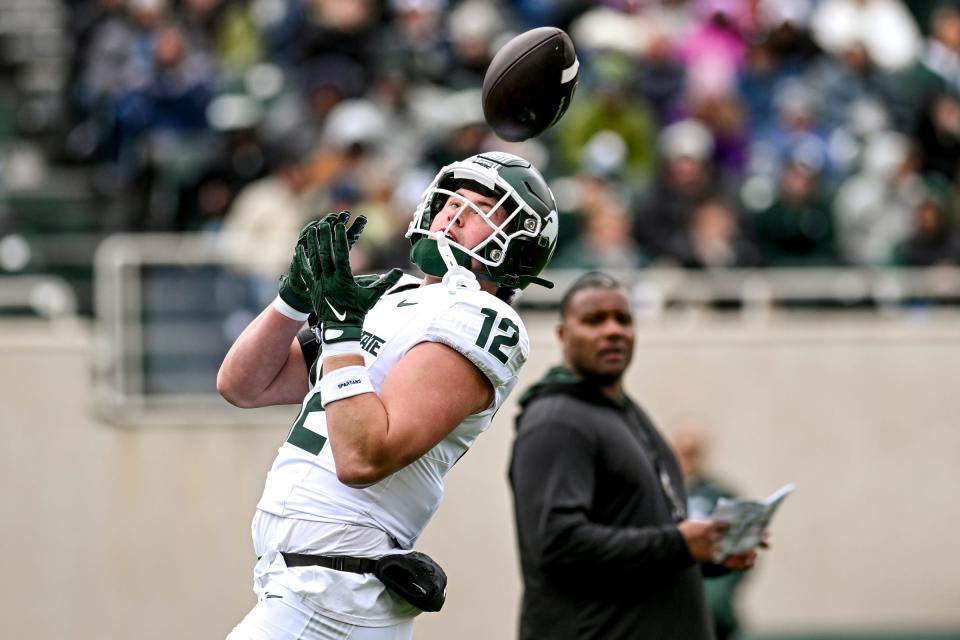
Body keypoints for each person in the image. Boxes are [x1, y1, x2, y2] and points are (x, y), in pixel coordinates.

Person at [217, 150, 559, 639]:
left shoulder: (486, 318)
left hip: (332, 589)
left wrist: (340, 327)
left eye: (484, 208)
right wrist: (292, 300)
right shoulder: (391, 294)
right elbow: (242, 385)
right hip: (307, 581)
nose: (455, 214)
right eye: (451, 201)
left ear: (520, 247)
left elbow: (362, 457)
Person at [508, 272, 761, 640]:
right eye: (594, 320)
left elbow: (636, 542)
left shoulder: (624, 412)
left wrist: (707, 554)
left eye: (623, 319)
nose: (613, 330)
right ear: (563, 335)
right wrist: (679, 543)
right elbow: (557, 544)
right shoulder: (557, 421)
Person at [672, 425, 749, 640]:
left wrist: (718, 594)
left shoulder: (719, 495)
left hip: (712, 610)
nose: (686, 458)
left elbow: (737, 547)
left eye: (692, 451)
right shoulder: (661, 494)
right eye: (681, 450)